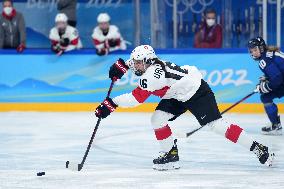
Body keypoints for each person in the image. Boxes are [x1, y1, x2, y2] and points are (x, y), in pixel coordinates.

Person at [95, 45, 275, 170]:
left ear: (148, 62)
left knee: (216, 125)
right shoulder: (150, 63)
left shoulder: (152, 76)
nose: (135, 65)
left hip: (196, 91)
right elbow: (137, 62)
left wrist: (112, 103)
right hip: (177, 93)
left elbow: (136, 99)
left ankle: (258, 147)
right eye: (134, 62)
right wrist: (122, 65)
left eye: (138, 63)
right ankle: (170, 153)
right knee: (157, 119)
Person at [248, 36, 283, 135]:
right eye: (251, 51)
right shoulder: (270, 54)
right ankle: (276, 125)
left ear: (261, 48)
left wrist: (262, 87)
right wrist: (268, 78)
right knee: (266, 97)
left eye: (255, 50)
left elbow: (277, 80)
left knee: (265, 97)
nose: (253, 53)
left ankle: (276, 125)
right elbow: (279, 72)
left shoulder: (264, 60)